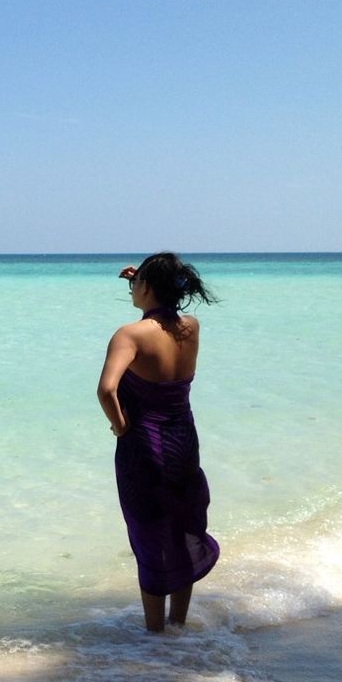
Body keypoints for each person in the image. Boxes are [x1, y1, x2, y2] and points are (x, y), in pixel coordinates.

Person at [97, 253, 220, 632]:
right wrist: (147, 284)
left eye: (136, 284)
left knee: (149, 536)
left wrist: (119, 426)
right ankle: (178, 626)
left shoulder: (129, 335)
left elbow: (106, 389)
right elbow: (162, 314)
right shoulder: (191, 327)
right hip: (183, 441)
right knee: (182, 530)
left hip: (144, 450)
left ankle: (155, 637)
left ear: (146, 287)